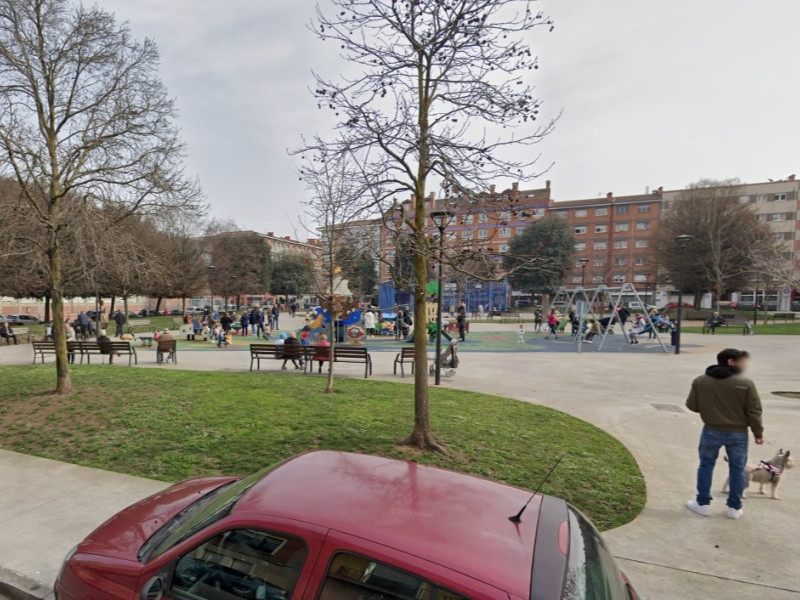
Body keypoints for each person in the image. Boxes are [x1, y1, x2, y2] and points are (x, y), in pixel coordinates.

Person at [685, 348, 764, 520]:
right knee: (737, 469)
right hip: (738, 433)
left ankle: (702, 503)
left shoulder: (701, 381)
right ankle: (734, 508)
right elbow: (754, 411)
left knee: (706, 466)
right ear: (730, 361)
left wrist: (710, 407)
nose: (744, 365)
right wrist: (758, 432)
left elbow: (692, 405)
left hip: (711, 430)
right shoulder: (745, 383)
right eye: (741, 361)